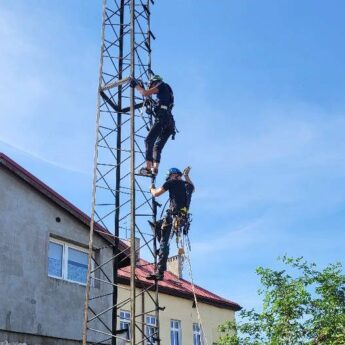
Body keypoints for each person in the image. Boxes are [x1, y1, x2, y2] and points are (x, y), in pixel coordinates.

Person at [147, 166, 194, 281]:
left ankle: (160, 272)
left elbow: (156, 194)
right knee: (157, 226)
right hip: (181, 220)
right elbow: (192, 187)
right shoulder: (187, 185)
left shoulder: (171, 182)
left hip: (173, 217)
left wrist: (151, 189)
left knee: (164, 243)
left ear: (172, 175)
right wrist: (187, 176)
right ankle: (161, 252)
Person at [130, 75, 175, 176]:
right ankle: (155, 169)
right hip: (170, 122)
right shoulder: (166, 93)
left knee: (148, 141)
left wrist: (136, 86)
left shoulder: (162, 85)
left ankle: (148, 168)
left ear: (155, 82)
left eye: (152, 86)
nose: (152, 89)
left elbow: (145, 93)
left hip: (163, 119)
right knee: (157, 147)